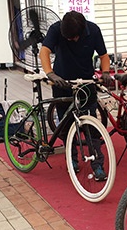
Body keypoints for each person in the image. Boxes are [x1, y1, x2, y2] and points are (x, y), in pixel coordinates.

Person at [39, 10, 114, 181]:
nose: (72, 40)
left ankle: (98, 166)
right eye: (68, 38)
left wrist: (105, 72)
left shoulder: (93, 30)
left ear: (82, 30)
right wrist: (50, 74)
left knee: (91, 127)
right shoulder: (56, 29)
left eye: (74, 37)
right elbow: (44, 51)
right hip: (61, 83)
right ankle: (71, 160)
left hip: (86, 84)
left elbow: (103, 55)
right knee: (66, 126)